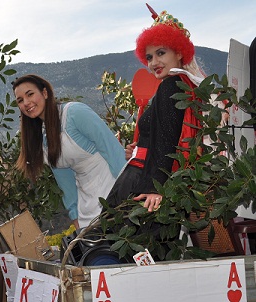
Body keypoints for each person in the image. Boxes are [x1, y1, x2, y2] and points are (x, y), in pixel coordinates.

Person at [106, 5, 205, 214]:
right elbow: (171, 135)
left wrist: (154, 187)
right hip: (152, 178)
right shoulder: (188, 84)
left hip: (146, 183)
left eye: (160, 53)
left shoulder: (171, 84)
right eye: (149, 57)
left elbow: (167, 139)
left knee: (109, 242)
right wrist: (140, 148)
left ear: (179, 52)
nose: (154, 63)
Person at [12, 74, 128, 229]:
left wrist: (128, 196)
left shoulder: (75, 113)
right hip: (87, 208)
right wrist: (75, 216)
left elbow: (112, 150)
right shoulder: (44, 140)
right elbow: (65, 182)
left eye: (30, 94)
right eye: (20, 100)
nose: (26, 103)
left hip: (115, 193)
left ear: (45, 93)